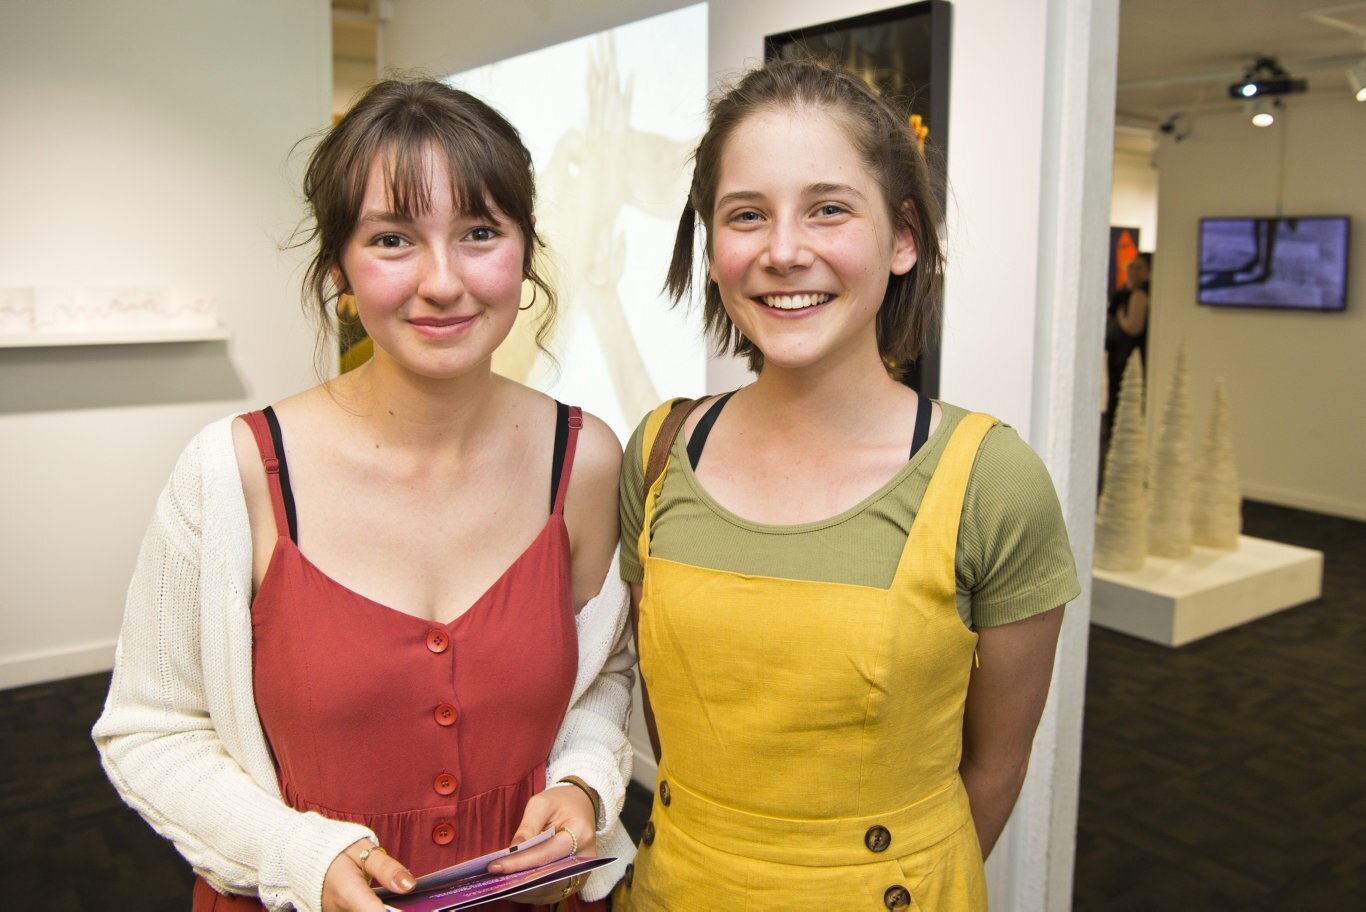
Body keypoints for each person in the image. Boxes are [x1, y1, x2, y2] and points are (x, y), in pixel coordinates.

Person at [92, 79, 634, 912]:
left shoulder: (585, 458)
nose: (443, 281)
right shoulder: (236, 472)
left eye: (480, 232)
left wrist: (587, 784)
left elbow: (602, 677)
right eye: (393, 240)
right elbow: (150, 729)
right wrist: (298, 853)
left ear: (525, 250)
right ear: (339, 267)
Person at [615, 60, 1080, 910]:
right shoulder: (659, 452)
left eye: (828, 209)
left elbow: (997, 765)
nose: (784, 251)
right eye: (746, 215)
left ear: (903, 238)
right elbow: (674, 726)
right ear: (713, 247)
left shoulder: (991, 481)